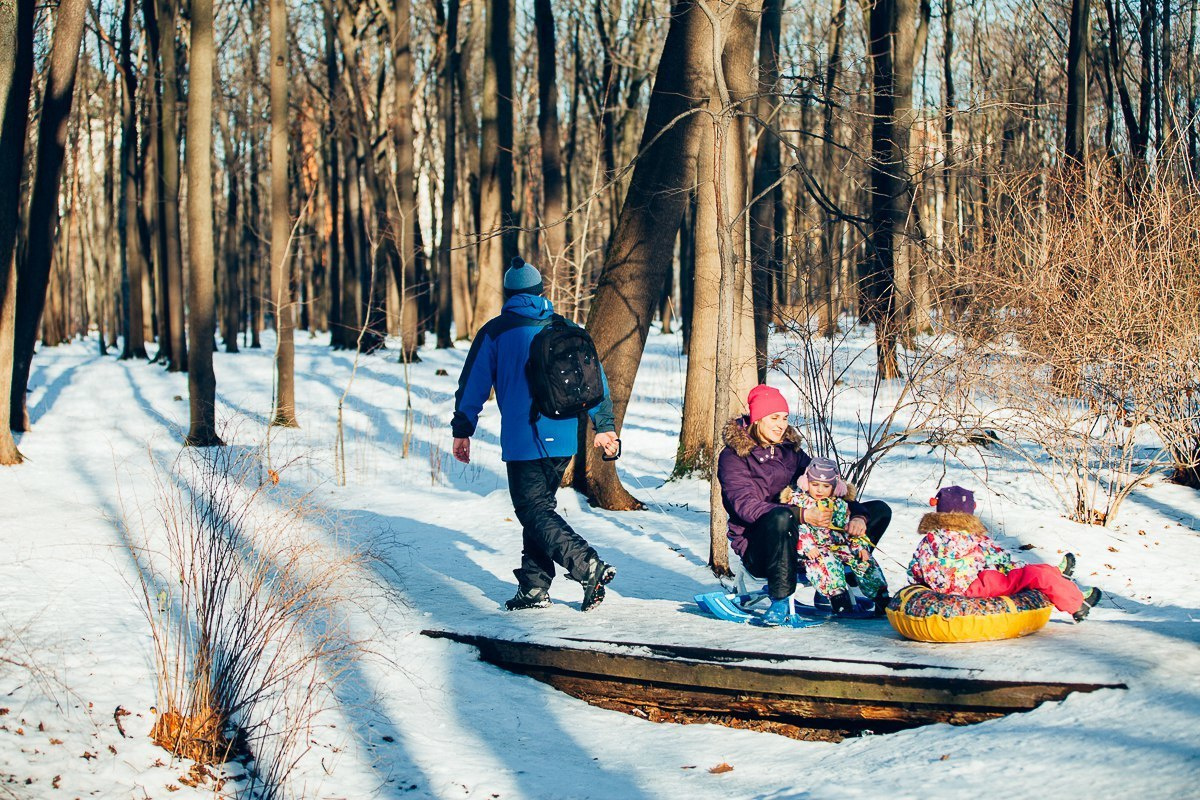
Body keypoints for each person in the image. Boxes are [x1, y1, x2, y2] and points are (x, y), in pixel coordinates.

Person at [451, 257, 622, 612]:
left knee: (533, 511)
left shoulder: (495, 332)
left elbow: (473, 387)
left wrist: (463, 429)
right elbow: (596, 383)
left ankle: (586, 565)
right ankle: (533, 588)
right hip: (563, 439)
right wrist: (604, 427)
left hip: (524, 440)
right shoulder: (566, 327)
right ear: (540, 293)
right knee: (539, 511)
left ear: (508, 294)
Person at [716, 384, 893, 626]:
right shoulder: (733, 457)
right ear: (757, 420)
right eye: (774, 418)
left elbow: (825, 485)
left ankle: (840, 580)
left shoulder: (791, 451)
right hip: (760, 545)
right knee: (781, 517)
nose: (781, 424)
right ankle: (780, 600)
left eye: (785, 418)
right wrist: (801, 514)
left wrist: (858, 516)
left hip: (812, 542)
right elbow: (744, 506)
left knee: (879, 510)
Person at [908, 486, 1102, 622]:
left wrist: (923, 587)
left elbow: (914, 570)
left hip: (943, 591)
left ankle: (1057, 574)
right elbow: (1000, 559)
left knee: (1027, 573)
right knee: (1033, 576)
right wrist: (1016, 572)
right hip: (974, 587)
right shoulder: (973, 538)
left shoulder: (929, 540)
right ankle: (1077, 603)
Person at [782, 457, 889, 616]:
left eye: (825, 486)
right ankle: (838, 597)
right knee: (826, 562)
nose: (819, 490)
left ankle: (880, 596)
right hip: (815, 549)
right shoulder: (800, 502)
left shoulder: (839, 505)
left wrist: (860, 547)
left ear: (835, 487)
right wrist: (807, 546)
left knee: (865, 561)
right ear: (806, 483)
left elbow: (846, 528)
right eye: (814, 485)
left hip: (838, 545)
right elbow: (798, 526)